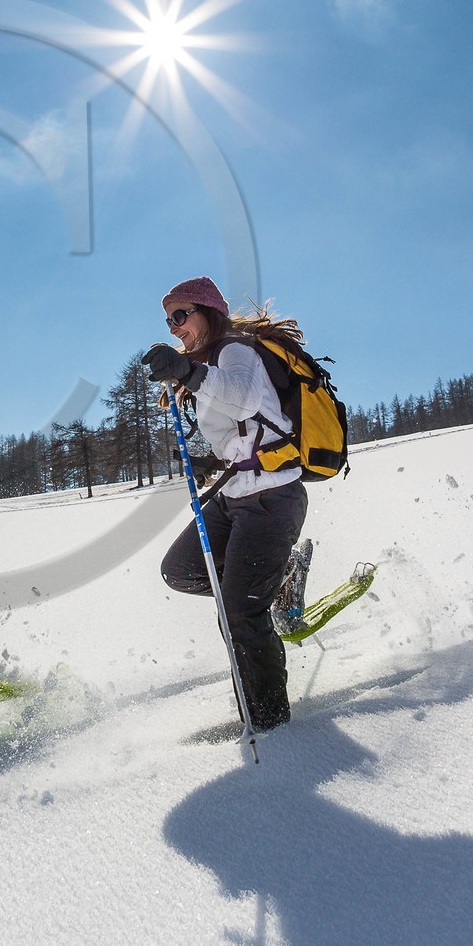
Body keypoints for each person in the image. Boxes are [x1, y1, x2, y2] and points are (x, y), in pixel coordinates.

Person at [141, 278, 310, 732]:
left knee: (239, 613)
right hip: (235, 497)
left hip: (272, 497)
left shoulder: (235, 350)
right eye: (168, 321)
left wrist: (186, 371)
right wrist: (210, 461)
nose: (174, 327)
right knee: (180, 570)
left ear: (208, 311)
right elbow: (243, 431)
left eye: (181, 316)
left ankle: (271, 728)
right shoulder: (207, 366)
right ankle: (280, 579)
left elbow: (243, 398)